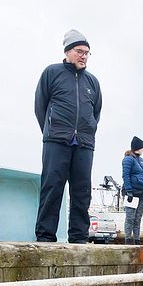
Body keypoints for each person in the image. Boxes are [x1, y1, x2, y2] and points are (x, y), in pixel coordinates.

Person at [34, 29, 102, 243]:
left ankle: (79, 237)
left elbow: (96, 112)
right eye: (80, 51)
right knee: (52, 187)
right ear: (68, 51)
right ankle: (45, 236)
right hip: (56, 140)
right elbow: (40, 107)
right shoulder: (51, 73)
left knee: (82, 192)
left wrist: (87, 130)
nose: (84, 56)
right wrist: (51, 130)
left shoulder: (93, 82)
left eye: (87, 52)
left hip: (84, 144)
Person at [122, 136, 143, 245]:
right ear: (137, 148)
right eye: (142, 147)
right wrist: (128, 191)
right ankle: (128, 240)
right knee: (130, 218)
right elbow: (125, 176)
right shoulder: (128, 159)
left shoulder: (141, 160)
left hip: (141, 193)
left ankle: (137, 240)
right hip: (132, 193)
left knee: (138, 218)